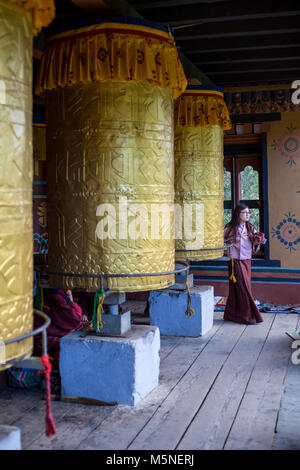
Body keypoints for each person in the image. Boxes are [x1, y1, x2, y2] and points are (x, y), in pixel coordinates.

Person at [223, 204, 264, 325]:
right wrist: (227, 244)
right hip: (234, 261)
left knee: (242, 287)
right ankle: (248, 316)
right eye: (244, 213)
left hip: (246, 260)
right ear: (238, 214)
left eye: (248, 213)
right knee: (243, 287)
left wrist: (257, 242)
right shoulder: (230, 228)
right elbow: (220, 240)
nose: (247, 215)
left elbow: (256, 246)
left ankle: (232, 315)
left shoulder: (251, 228)